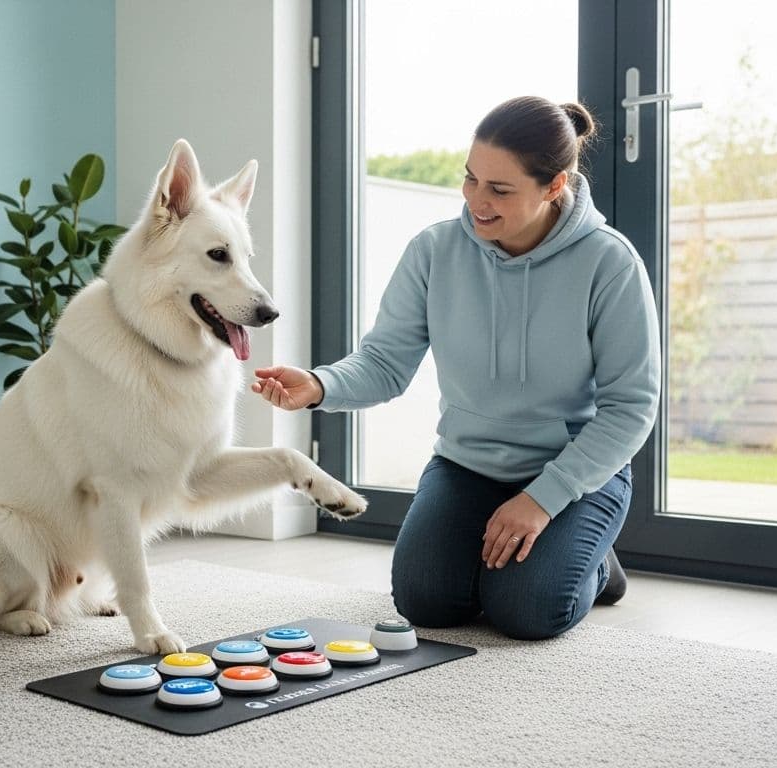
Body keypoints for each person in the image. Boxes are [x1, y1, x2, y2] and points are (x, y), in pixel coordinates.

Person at [252, 96, 660, 640]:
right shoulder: (434, 251)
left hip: (574, 474)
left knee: (528, 611)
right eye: (470, 179)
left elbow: (630, 409)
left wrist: (541, 499)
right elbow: (384, 363)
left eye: (499, 189)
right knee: (427, 602)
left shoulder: (610, 264)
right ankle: (530, 554)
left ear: (555, 186)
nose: (476, 200)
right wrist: (320, 385)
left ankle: (593, 562)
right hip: (468, 466)